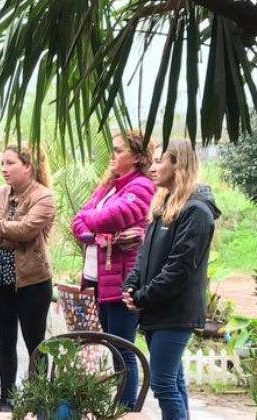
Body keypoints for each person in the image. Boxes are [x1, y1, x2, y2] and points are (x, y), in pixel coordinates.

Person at [122, 139, 221, 419]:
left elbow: (179, 269)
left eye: (159, 161)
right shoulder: (165, 205)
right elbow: (144, 256)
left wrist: (142, 296)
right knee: (173, 381)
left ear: (178, 164)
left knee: (163, 383)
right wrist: (131, 284)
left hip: (175, 313)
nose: (152, 168)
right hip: (157, 309)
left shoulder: (196, 211)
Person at [71, 131, 156, 410]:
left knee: (123, 349)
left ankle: (127, 410)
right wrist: (94, 233)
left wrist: (92, 222)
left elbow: (108, 217)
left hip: (122, 280)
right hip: (101, 279)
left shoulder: (142, 186)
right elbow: (78, 221)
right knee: (113, 347)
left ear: (138, 157)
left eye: (119, 150)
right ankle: (119, 407)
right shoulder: (110, 186)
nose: (113, 155)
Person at [0, 145, 56, 412]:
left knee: (35, 343)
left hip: (33, 281)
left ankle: (38, 399)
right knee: (5, 341)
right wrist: (9, 233)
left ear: (28, 167)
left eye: (10, 163)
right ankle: (6, 399)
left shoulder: (43, 196)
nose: (4, 169)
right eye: (2, 163)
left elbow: (25, 231)